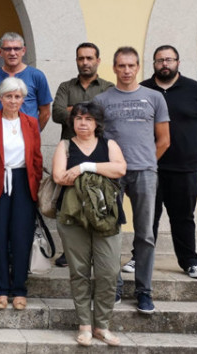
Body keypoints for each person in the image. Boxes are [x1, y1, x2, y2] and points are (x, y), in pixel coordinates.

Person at [94, 46, 170, 314]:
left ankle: (144, 291)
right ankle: (114, 286)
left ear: (138, 67)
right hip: (113, 175)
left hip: (145, 173)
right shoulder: (102, 100)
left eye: (131, 65)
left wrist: (147, 162)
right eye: (121, 66)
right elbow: (96, 140)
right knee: (110, 232)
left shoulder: (154, 98)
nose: (126, 70)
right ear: (113, 68)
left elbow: (163, 139)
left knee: (145, 234)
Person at [140, 45, 197, 280]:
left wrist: (188, 139)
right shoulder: (143, 89)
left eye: (169, 60)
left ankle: (190, 262)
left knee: (184, 217)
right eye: (159, 60)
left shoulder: (195, 89)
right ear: (153, 64)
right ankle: (140, 258)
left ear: (178, 62)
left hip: (186, 167)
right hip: (150, 165)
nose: (164, 64)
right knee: (147, 216)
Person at [52, 102, 127, 347]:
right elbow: (59, 177)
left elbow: (120, 169)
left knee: (108, 271)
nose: (83, 123)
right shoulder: (65, 145)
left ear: (97, 123)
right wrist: (97, 174)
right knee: (79, 272)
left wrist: (85, 167)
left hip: (107, 217)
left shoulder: (109, 145)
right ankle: (85, 325)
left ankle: (102, 325)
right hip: (73, 217)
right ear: (71, 122)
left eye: (88, 119)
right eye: (78, 118)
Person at [0, 77, 42, 311]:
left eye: (18, 97)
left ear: (23, 99)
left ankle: (19, 289)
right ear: (1, 98)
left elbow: (36, 158)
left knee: (22, 237)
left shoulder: (31, 122)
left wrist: (38, 190)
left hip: (24, 183)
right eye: (9, 96)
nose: (13, 101)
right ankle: (2, 289)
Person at [50, 42, 113, 267]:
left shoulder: (108, 87)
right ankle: (70, 251)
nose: (85, 62)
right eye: (81, 58)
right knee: (70, 203)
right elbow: (56, 113)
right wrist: (91, 109)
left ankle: (97, 251)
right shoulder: (65, 86)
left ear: (97, 60)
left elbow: (108, 115)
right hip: (71, 151)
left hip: (99, 151)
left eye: (89, 58)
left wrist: (74, 109)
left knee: (98, 200)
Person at [0, 31, 52, 130]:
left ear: (23, 51)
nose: (12, 53)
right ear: (0, 52)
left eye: (17, 48)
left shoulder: (37, 76)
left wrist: (33, 133)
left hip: (27, 137)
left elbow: (46, 113)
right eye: (8, 49)